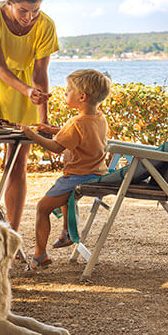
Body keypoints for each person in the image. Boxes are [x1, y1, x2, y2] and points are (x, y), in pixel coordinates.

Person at [0, 0, 59, 230]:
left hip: (26, 90)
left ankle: (12, 234)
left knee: (18, 163)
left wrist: (43, 118)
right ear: (9, 3)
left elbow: (40, 72)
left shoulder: (46, 25)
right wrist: (28, 90)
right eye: (23, 11)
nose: (29, 17)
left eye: (35, 11)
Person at [20, 69, 112, 271]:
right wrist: (54, 130)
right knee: (63, 195)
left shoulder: (75, 122)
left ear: (82, 97)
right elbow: (82, 136)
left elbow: (56, 147)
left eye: (69, 90)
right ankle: (66, 232)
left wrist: (31, 135)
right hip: (96, 173)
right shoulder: (99, 118)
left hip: (78, 177)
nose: (65, 93)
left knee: (42, 207)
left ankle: (40, 255)